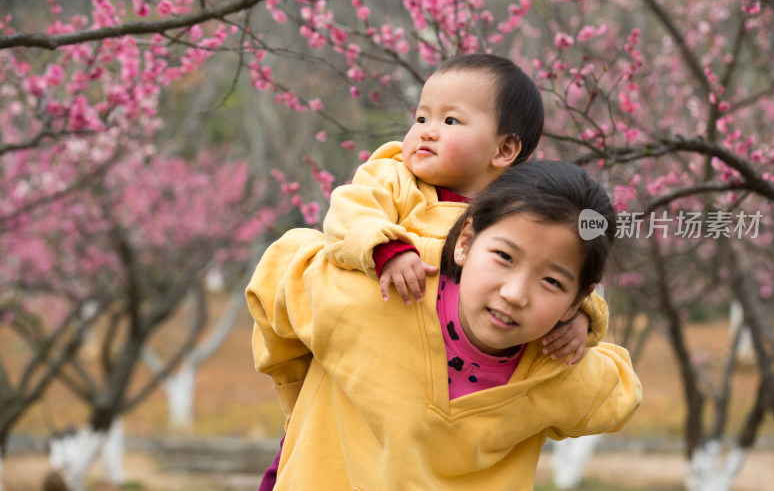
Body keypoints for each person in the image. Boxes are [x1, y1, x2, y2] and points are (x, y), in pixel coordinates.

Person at [255, 54, 609, 489]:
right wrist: (386, 247)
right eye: (421, 116)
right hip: (373, 342)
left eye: (451, 121)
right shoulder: (396, 178)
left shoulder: (519, 212)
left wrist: (584, 318)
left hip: (432, 402)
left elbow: (558, 268)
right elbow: (350, 213)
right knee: (299, 453)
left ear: (504, 149)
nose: (426, 129)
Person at [247, 160, 642, 489]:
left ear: (578, 297)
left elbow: (621, 391)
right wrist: (300, 396)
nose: (515, 293)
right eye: (504, 256)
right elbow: (277, 275)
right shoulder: (373, 298)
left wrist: (588, 321)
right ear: (466, 240)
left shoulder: (558, 367)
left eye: (552, 282)